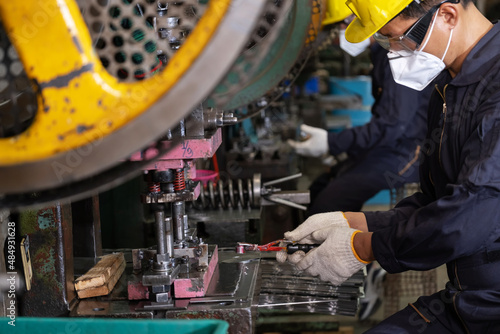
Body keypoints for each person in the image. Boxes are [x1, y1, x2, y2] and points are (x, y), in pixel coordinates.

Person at [280, 0, 500, 332]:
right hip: (469, 300)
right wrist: (355, 221)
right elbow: (436, 203)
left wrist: (362, 247)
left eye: (400, 38)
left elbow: (466, 216)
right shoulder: (449, 87)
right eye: (387, 42)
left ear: (448, 15)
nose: (395, 52)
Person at [290, 21, 433, 217]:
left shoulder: (398, 56)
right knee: (320, 186)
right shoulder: (383, 55)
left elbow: (393, 125)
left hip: (408, 154)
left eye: (342, 25)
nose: (339, 33)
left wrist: (332, 143)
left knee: (328, 205)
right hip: (389, 146)